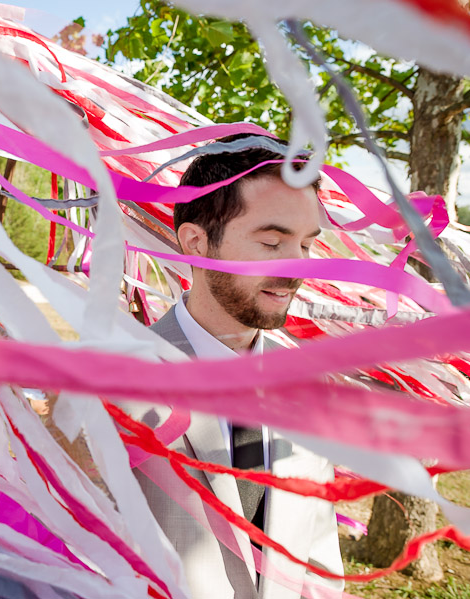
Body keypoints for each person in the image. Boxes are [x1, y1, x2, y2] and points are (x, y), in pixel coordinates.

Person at [130, 135, 344, 599]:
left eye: (306, 245)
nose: (297, 268)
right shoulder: (113, 385)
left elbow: (319, 558)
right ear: (196, 243)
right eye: (272, 241)